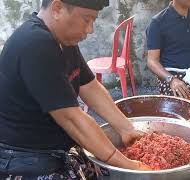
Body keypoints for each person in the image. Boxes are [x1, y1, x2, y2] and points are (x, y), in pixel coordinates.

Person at [0, 0, 150, 179]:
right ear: (57, 9)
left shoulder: (63, 40)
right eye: (87, 19)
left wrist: (126, 128)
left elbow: (90, 86)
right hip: (25, 157)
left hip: (56, 144)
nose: (90, 30)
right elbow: (72, 119)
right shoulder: (35, 44)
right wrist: (129, 166)